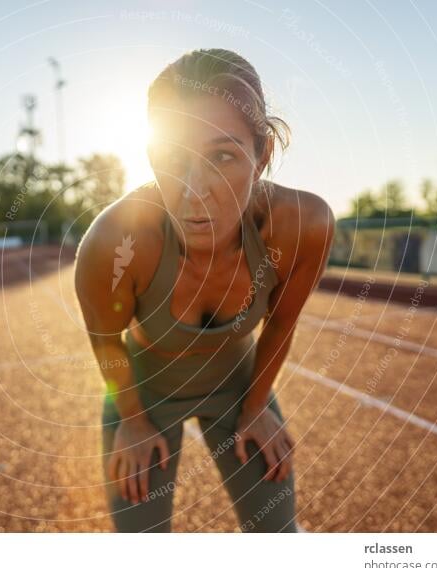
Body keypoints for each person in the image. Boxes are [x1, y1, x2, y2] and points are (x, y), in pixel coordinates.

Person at [74, 48, 335, 532]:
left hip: (239, 387)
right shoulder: (119, 241)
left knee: (279, 536)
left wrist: (257, 407)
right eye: (173, 158)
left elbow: (281, 321)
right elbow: (106, 340)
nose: (194, 189)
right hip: (143, 392)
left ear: (263, 157)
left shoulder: (301, 226)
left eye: (222, 155)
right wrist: (131, 420)